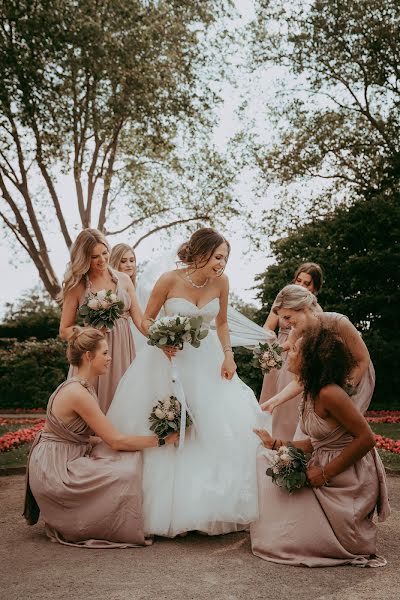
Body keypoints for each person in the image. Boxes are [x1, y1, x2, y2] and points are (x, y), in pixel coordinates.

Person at [107, 227, 271, 537]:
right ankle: (164, 510)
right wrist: (159, 339)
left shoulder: (221, 282)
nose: (222, 264)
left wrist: (228, 356)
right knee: (169, 424)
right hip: (168, 361)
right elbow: (145, 318)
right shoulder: (169, 279)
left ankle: (210, 507)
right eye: (218, 257)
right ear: (200, 253)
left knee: (215, 426)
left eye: (225, 258)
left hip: (208, 362)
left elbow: (221, 322)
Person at [23, 327, 178, 548]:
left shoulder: (83, 387)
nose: (110, 358)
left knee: (124, 458)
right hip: (56, 469)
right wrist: (162, 441)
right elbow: (116, 440)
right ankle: (115, 524)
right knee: (124, 471)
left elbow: (92, 438)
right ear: (89, 356)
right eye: (105, 353)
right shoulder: (78, 393)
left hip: (62, 456)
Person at [251, 325, 390, 567]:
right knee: (265, 460)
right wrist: (274, 443)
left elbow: (366, 439)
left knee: (284, 543)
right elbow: (318, 442)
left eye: (294, 350)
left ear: (311, 359)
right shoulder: (310, 391)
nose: (289, 353)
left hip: (349, 474)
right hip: (324, 462)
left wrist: (325, 473)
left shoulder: (329, 393)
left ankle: (342, 532)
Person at [59, 228, 144, 412]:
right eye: (94, 256)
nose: (102, 260)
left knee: (123, 405)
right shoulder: (77, 286)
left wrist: (165, 338)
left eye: (105, 253)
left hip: (123, 350)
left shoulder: (124, 280)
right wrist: (87, 333)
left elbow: (141, 322)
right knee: (92, 408)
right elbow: (64, 330)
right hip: (92, 352)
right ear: (83, 258)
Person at [261, 284, 375, 417]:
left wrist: (342, 393)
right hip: (323, 384)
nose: (286, 323)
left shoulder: (338, 322)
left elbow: (363, 359)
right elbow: (300, 379)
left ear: (303, 308)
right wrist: (274, 402)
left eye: (287, 317)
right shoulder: (294, 335)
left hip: (355, 376)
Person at [260, 263, 324, 439]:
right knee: (271, 396)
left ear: (315, 286)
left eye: (307, 283)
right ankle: (268, 437)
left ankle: (287, 442)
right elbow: (269, 325)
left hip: (299, 353)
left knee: (291, 401)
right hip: (279, 348)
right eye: (299, 280)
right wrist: (270, 346)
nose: (301, 285)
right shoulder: (283, 301)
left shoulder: (316, 312)